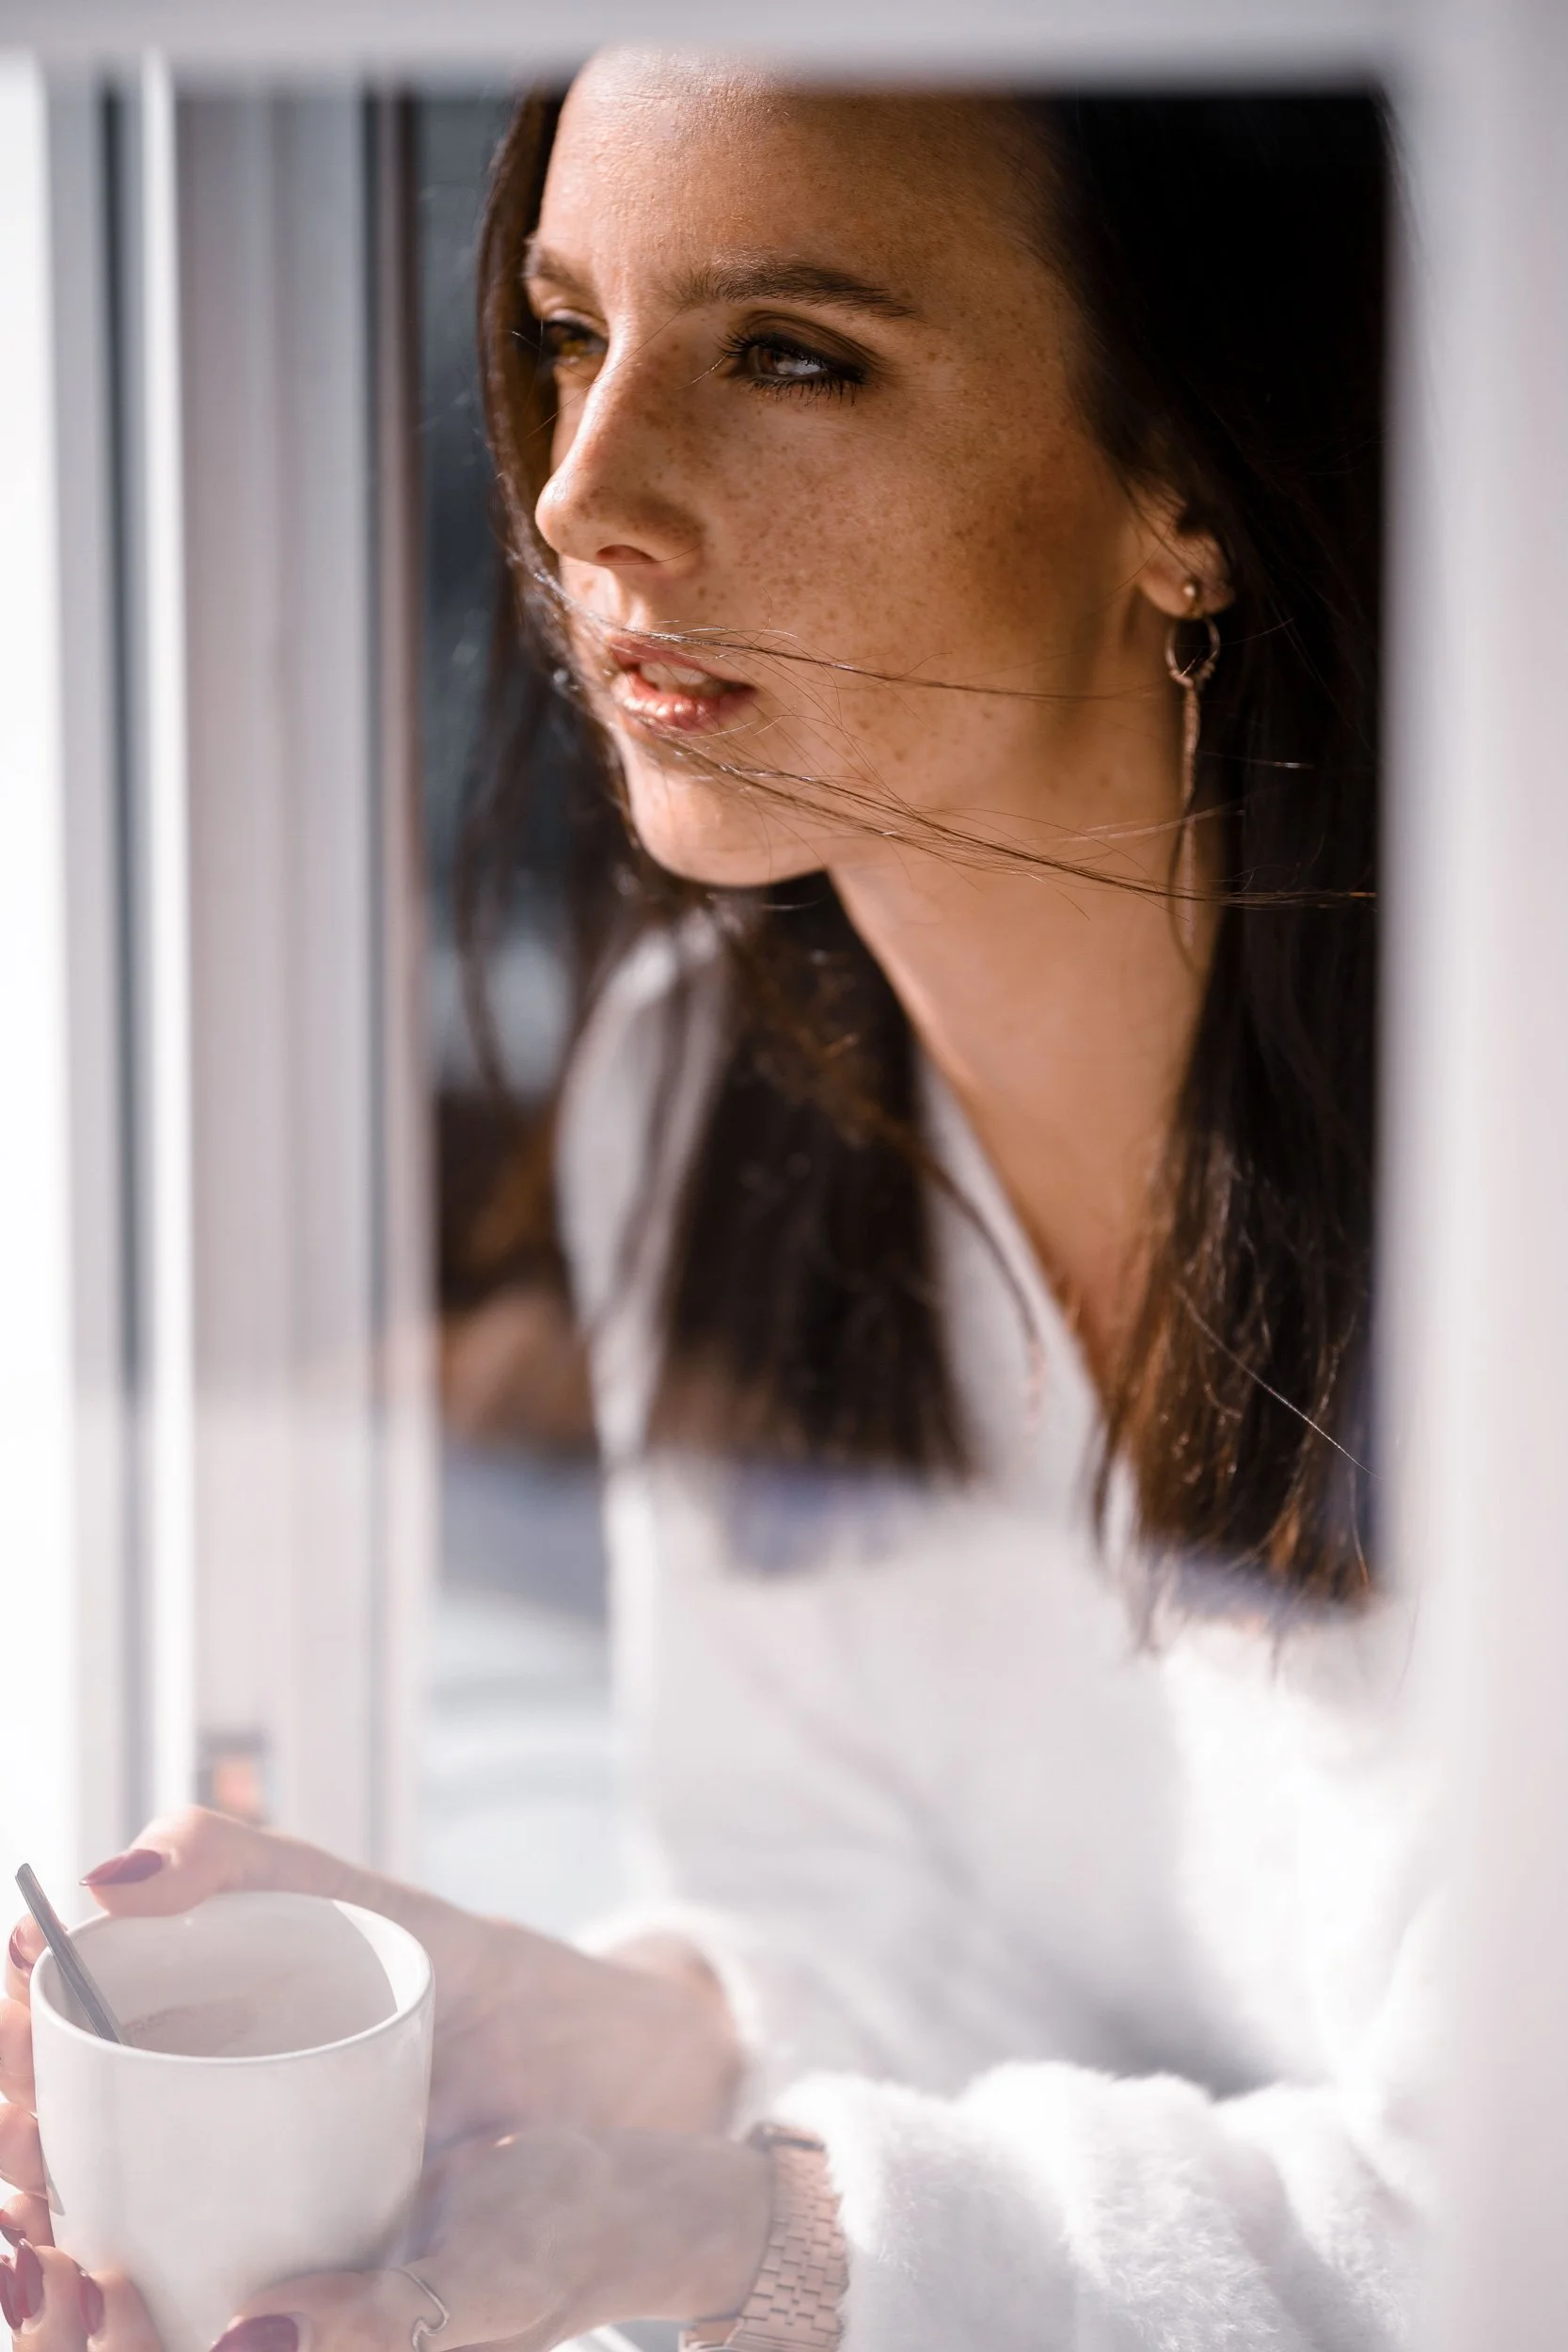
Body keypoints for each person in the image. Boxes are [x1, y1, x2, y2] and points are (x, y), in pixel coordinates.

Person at [0, 56, 1430, 2352]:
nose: (584, 489)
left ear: (1186, 475)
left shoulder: (1502, 1194)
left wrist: (745, 2237)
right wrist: (611, 2039)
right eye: (569, 333)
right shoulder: (704, 1099)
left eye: (789, 356)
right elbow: (880, 1917)